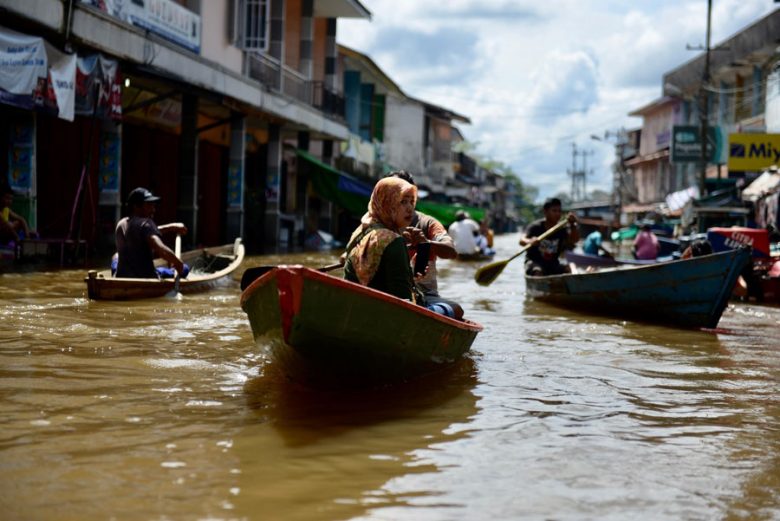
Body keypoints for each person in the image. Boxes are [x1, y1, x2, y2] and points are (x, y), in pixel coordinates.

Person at [343, 177, 458, 318]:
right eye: (402, 201)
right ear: (387, 202)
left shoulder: (361, 229)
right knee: (457, 310)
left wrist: (425, 244)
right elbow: (405, 301)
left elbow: (451, 251)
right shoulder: (393, 240)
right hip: (388, 309)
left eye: (411, 201)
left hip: (357, 304)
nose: (410, 208)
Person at [384, 171, 461, 314]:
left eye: (406, 198)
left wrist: (425, 243)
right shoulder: (376, 224)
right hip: (384, 291)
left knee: (457, 311)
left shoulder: (426, 223)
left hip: (423, 295)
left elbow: (451, 251)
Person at [114, 187, 188, 279]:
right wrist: (178, 263)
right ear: (136, 206)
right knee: (185, 268)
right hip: (145, 277)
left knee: (116, 256)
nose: (153, 210)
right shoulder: (146, 223)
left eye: (153, 206)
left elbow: (145, 232)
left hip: (121, 275)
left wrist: (171, 227)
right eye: (149, 206)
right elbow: (161, 250)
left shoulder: (121, 223)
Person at [520, 197, 579, 276]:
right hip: (535, 263)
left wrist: (573, 226)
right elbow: (521, 240)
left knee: (570, 267)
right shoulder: (535, 226)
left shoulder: (561, 229)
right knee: (537, 271)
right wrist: (530, 241)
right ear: (545, 212)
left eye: (559, 211)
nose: (558, 214)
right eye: (554, 211)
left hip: (553, 264)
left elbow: (574, 240)